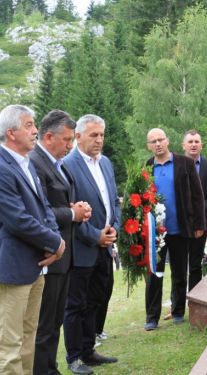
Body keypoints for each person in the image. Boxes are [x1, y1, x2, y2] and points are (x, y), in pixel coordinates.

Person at [0, 104, 64, 375]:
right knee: (8, 345)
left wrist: (55, 241)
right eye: (28, 125)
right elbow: (18, 221)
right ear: (11, 132)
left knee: (28, 339)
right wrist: (54, 243)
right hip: (13, 268)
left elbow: (44, 210)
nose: (35, 131)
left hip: (36, 266)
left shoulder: (26, 164)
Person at [29, 110, 92, 375]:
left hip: (63, 255)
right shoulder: (35, 162)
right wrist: (72, 213)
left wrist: (74, 210)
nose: (70, 146)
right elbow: (37, 212)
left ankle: (50, 368)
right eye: (66, 140)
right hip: (47, 255)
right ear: (49, 136)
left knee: (55, 321)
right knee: (44, 324)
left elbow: (54, 204)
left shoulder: (56, 163)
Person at [63, 114, 120, 375]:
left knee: (96, 299)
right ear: (78, 136)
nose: (99, 140)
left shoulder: (105, 163)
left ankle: (88, 350)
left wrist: (114, 229)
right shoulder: (67, 165)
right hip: (82, 248)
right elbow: (69, 212)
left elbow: (114, 202)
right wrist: (95, 235)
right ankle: (74, 357)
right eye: (93, 135)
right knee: (76, 304)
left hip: (105, 246)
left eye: (102, 135)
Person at [144, 128, 205, 331]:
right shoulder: (147, 167)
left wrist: (199, 224)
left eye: (161, 139)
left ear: (168, 141)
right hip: (156, 233)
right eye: (153, 141)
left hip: (180, 228)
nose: (158, 143)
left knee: (179, 272)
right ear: (149, 146)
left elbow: (197, 195)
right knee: (154, 273)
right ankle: (152, 317)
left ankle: (178, 311)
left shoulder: (185, 163)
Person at [181, 130, 207, 293]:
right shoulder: (176, 165)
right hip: (180, 221)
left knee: (195, 265)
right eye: (190, 142)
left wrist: (202, 206)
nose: (193, 144)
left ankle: (194, 302)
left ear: (201, 145)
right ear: (184, 145)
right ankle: (177, 306)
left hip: (200, 222)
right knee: (179, 266)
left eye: (197, 141)